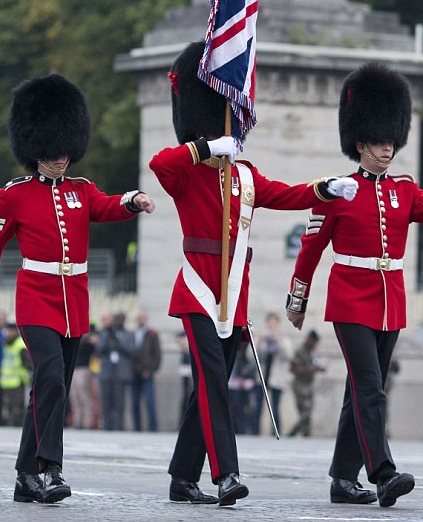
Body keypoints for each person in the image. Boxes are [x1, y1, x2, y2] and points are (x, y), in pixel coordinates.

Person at [151, 41, 359, 507]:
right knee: (210, 382)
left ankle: (182, 476)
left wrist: (326, 188)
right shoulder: (188, 172)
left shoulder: (244, 175)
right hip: (200, 290)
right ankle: (227, 475)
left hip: (233, 294)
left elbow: (288, 194)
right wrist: (203, 145)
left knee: (212, 384)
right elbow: (159, 164)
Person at [286, 63, 423, 508]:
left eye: (391, 140)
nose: (387, 147)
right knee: (370, 388)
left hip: (389, 301)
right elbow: (311, 249)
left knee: (363, 390)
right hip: (350, 300)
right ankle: (383, 474)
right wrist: (297, 299)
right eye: (380, 141)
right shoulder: (338, 191)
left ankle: (342, 479)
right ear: (360, 144)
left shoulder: (403, 190)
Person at [0, 74, 155, 504]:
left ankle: (23, 475)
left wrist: (133, 199)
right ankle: (51, 470)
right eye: (52, 152)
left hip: (74, 302)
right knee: (49, 377)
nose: (60, 159)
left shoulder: (81, 190)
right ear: (35, 151)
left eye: (65, 151)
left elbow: (105, 205)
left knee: (51, 388)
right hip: (35, 299)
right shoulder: (14, 195)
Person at [95, 311, 134, 431]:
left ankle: (119, 426)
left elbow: (131, 350)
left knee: (119, 402)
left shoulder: (128, 334)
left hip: (120, 373)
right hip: (106, 372)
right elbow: (98, 350)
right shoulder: (104, 333)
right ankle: (107, 425)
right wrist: (107, 337)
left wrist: (118, 339)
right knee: (106, 401)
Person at [256, 312, 291, 434]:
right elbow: (251, 356)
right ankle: (255, 431)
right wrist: (259, 341)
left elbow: (288, 355)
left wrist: (278, 341)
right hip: (262, 376)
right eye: (270, 323)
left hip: (277, 378)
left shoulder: (283, 337)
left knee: (275, 407)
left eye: (274, 323)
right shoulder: (262, 337)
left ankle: (276, 431)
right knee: (257, 406)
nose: (272, 326)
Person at [287, 329, 323, 437]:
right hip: (300, 385)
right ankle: (292, 433)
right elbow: (293, 369)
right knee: (305, 414)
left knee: (308, 413)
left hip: (308, 385)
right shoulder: (300, 351)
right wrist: (310, 369)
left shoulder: (311, 352)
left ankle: (306, 434)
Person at [131, 310, 162, 432]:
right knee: (135, 402)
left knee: (150, 401)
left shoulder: (152, 333)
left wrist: (150, 369)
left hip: (147, 373)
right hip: (135, 372)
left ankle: (152, 427)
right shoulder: (134, 333)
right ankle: (137, 427)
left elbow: (157, 354)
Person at [0, 322, 31, 427]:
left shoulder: (19, 344)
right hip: (7, 381)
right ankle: (11, 423)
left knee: (17, 406)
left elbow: (27, 363)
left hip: (18, 380)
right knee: (9, 406)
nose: (7, 333)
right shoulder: (7, 343)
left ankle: (17, 424)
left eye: (9, 331)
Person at [68, 323, 96, 429]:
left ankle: (87, 422)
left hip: (83, 368)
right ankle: (77, 421)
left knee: (84, 396)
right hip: (74, 368)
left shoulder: (89, 334)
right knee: (74, 397)